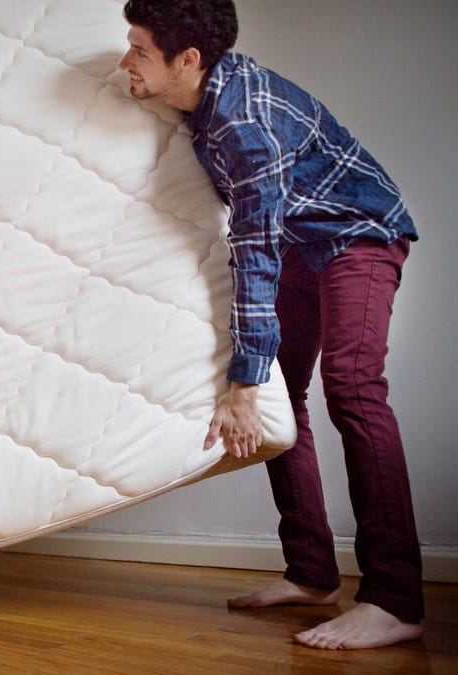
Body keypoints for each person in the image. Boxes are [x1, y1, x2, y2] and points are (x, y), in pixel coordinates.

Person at [117, 0, 423, 651]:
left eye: (140, 50)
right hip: (299, 240)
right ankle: (312, 572)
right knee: (286, 391)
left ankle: (395, 598)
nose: (126, 62)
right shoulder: (202, 95)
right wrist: (254, 381)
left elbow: (253, 248)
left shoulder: (243, 124)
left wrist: (240, 384)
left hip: (355, 233)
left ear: (189, 60)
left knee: (353, 384)